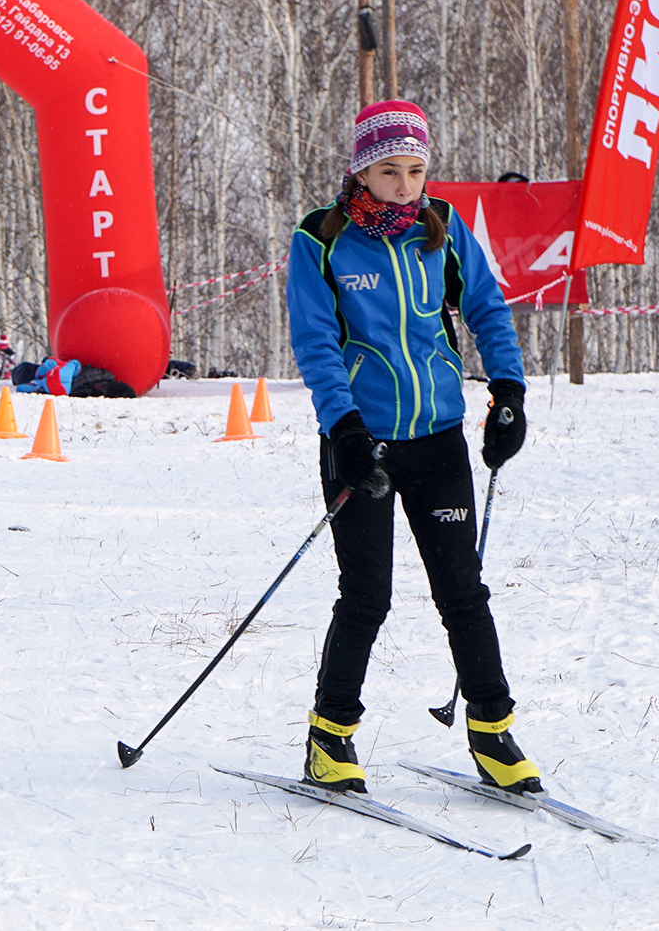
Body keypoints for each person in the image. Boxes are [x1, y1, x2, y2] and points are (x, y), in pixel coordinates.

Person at [285, 100, 541, 796]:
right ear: (362, 169)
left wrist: (509, 391)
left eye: (417, 170)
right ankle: (329, 737)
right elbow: (316, 343)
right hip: (360, 442)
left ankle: (492, 730)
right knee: (366, 595)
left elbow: (485, 308)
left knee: (463, 590)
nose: (406, 185)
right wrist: (344, 430)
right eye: (391, 171)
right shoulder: (320, 238)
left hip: (437, 438)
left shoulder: (443, 228)